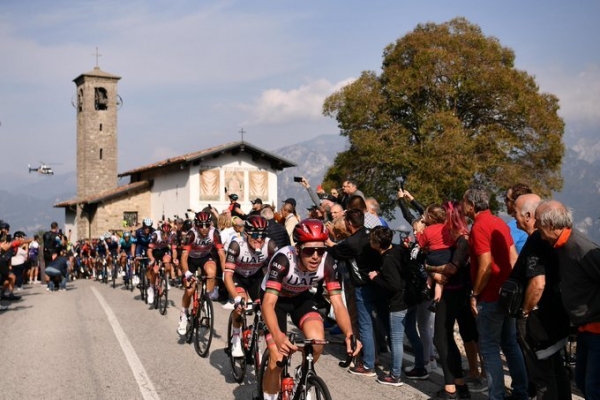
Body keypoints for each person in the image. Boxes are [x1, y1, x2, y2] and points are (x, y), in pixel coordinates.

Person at [260, 219, 361, 400]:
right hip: (276, 301)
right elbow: (268, 303)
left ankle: (303, 373)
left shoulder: (328, 262)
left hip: (300, 297)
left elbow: (338, 304)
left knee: (317, 341)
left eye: (321, 250)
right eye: (309, 250)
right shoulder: (282, 259)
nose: (315, 256)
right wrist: (278, 335)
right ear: (298, 249)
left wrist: (349, 334)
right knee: (277, 358)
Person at [463, 187, 527, 400]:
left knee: (489, 349)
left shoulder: (479, 226)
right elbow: (513, 257)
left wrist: (475, 293)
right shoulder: (499, 223)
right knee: (510, 344)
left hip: (489, 296)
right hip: (507, 294)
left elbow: (485, 265)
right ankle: (521, 392)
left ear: (472, 205)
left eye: (464, 202)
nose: (463, 206)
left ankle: (496, 396)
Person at [535, 200, 600, 399]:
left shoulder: (580, 247)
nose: (536, 228)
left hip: (597, 330)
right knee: (581, 381)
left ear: (550, 225)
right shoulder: (561, 246)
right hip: (583, 329)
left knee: (593, 387)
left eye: (538, 222)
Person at [510, 194, 571, 400]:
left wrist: (525, 312)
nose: (513, 217)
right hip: (554, 313)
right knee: (555, 368)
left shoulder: (538, 240)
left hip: (537, 319)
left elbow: (538, 283)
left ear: (528, 215)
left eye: (515, 213)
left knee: (541, 375)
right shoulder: (549, 240)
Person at [326, 208, 383, 378]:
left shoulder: (351, 242)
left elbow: (336, 251)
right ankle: (378, 358)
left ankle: (368, 364)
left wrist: (328, 242)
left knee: (363, 324)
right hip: (378, 283)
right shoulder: (370, 234)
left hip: (361, 286)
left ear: (349, 223)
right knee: (375, 322)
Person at [223, 216, 277, 357]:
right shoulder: (237, 245)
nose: (259, 239)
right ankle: (235, 338)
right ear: (246, 233)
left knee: (265, 309)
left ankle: (255, 337)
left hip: (255, 277)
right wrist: (235, 298)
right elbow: (227, 275)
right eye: (254, 235)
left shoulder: (269, 245)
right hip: (237, 277)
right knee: (241, 304)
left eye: (262, 235)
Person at [368, 226, 408, 386]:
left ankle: (395, 375)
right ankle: (419, 365)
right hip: (408, 298)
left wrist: (376, 277)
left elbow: (393, 285)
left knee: (396, 339)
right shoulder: (398, 250)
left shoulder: (388, 259)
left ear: (378, 244)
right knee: (407, 333)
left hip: (397, 302)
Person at [178, 212, 226, 335]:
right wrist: (187, 273)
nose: (204, 229)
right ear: (196, 225)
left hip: (205, 257)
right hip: (191, 259)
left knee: (211, 273)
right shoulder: (191, 234)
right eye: (201, 225)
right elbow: (183, 257)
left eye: (206, 225)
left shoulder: (214, 233)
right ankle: (183, 315)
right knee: (189, 290)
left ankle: (206, 299)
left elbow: (221, 254)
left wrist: (226, 272)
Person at [504, 183, 532, 254]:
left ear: (515, 202)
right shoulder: (536, 224)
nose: (505, 201)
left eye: (507, 199)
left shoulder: (513, 227)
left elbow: (504, 253)